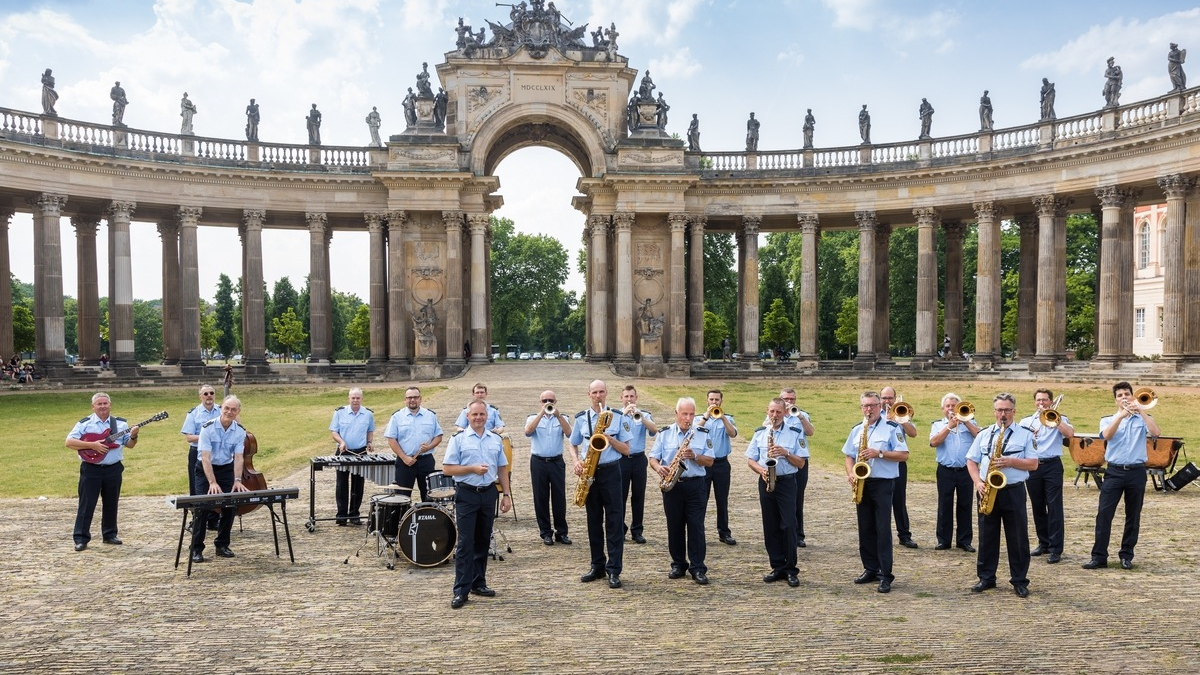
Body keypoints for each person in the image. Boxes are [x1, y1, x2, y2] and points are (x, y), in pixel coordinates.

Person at [1084, 382, 1161, 571]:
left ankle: (1126, 555)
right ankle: (1099, 556)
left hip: (1136, 471)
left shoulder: (1144, 418)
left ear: (1133, 396)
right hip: (1114, 471)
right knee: (1104, 514)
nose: (1124, 397)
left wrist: (1141, 410)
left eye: (1127, 394)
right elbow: (1106, 436)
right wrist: (1120, 416)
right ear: (1115, 399)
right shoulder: (1108, 419)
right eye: (1120, 395)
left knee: (1133, 515)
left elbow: (1156, 433)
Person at [966, 393, 1037, 597]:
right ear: (994, 411)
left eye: (1007, 410)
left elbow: (1033, 463)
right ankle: (986, 578)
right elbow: (971, 460)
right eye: (999, 410)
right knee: (987, 536)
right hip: (987, 489)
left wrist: (1010, 462)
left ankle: (1019, 580)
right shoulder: (984, 433)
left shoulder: (1025, 434)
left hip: (1013, 490)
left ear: (1014, 411)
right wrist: (978, 482)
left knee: (1017, 537)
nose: (1003, 414)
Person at [444, 399, 511, 609]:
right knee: (465, 543)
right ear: (467, 417)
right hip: (467, 493)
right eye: (474, 415)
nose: (478, 418)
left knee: (483, 540)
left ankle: (478, 583)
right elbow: (448, 469)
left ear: (487, 416)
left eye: (482, 414)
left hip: (488, 493)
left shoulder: (495, 440)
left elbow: (502, 468)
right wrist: (472, 468)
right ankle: (461, 590)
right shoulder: (458, 440)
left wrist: (506, 494)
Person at [842, 390, 908, 594]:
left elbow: (904, 455)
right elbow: (848, 456)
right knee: (865, 528)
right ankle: (870, 568)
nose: (869, 409)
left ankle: (885, 574)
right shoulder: (857, 429)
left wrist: (878, 453)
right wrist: (851, 472)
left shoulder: (891, 428)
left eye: (872, 405)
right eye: (865, 406)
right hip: (863, 482)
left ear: (880, 406)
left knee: (882, 529)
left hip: (883, 483)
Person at [569, 379, 632, 588]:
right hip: (590, 472)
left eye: (601, 392)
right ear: (589, 395)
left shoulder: (618, 417)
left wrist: (609, 438)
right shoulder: (580, 418)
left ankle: (614, 569)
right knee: (593, 521)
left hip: (612, 471)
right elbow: (573, 444)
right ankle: (597, 565)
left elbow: (626, 449)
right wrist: (576, 461)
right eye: (594, 392)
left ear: (607, 393)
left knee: (614, 521)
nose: (598, 396)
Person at [649, 397, 714, 585]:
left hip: (695, 484)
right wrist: (658, 468)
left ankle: (698, 567)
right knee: (674, 526)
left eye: (692, 414)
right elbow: (653, 457)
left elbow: (710, 461)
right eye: (684, 414)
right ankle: (678, 564)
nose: (688, 418)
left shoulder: (702, 433)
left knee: (696, 526)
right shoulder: (665, 433)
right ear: (676, 413)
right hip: (673, 485)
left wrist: (694, 456)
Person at [65, 392, 140, 551]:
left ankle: (110, 534)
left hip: (113, 468)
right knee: (87, 504)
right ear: (93, 407)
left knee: (112, 502)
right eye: (99, 404)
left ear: (110, 405)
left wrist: (134, 436)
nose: (102, 406)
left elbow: (130, 445)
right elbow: (69, 442)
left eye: (105, 403)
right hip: (91, 469)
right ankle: (81, 538)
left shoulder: (120, 424)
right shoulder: (85, 423)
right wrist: (92, 445)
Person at [746, 397, 808, 588]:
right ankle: (777, 566)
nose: (775, 416)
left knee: (789, 525)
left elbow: (801, 463)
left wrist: (786, 453)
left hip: (787, 482)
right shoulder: (760, 433)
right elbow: (751, 460)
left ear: (784, 413)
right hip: (766, 481)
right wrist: (761, 470)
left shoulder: (795, 433)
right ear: (767, 411)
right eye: (772, 412)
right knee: (770, 525)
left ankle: (791, 569)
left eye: (778, 412)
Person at [190, 395, 249, 563]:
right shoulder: (207, 428)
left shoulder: (240, 431)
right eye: (226, 408)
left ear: (238, 412)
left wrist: (237, 479)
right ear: (221, 408)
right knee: (202, 506)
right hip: (205, 469)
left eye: (233, 409)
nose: (229, 412)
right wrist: (212, 482)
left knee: (230, 506)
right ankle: (196, 548)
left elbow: (238, 458)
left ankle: (222, 544)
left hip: (225, 468)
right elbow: (206, 458)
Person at [1019, 389, 1075, 564]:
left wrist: (1054, 419)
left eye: (1044, 400)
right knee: (1037, 506)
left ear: (1051, 402)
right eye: (1038, 400)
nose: (1041, 403)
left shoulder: (1060, 418)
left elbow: (1070, 434)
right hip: (1033, 465)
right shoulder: (1026, 421)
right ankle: (1044, 542)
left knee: (1054, 506)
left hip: (1052, 465)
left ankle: (1056, 548)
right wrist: (1030, 435)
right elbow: (1019, 442)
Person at [928, 392, 981, 552]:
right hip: (946, 470)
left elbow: (980, 436)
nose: (951, 409)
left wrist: (966, 422)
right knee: (945, 504)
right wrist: (949, 426)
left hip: (966, 471)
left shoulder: (970, 421)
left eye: (953, 406)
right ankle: (943, 540)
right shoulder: (938, 425)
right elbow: (934, 442)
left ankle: (964, 541)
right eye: (948, 406)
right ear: (942, 409)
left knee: (965, 504)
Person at [524, 389, 573, 545]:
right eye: (544, 400)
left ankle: (562, 532)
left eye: (550, 400)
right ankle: (546, 532)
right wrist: (541, 414)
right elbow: (528, 432)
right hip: (538, 461)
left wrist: (557, 415)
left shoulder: (563, 417)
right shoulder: (532, 418)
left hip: (556, 461)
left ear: (555, 402)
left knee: (559, 497)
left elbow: (569, 433)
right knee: (541, 497)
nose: (547, 403)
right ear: (540, 402)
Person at [384, 387, 444, 502]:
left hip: (426, 461)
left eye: (415, 397)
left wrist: (429, 447)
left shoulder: (430, 415)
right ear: (405, 400)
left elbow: (438, 436)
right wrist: (404, 457)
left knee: (429, 496)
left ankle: (428, 518)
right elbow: (391, 439)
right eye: (409, 397)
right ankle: (403, 519)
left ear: (420, 399)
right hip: (405, 462)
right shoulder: (397, 416)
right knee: (402, 497)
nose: (412, 400)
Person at [329, 388, 376, 526]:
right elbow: (334, 432)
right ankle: (341, 515)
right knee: (341, 484)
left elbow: (370, 430)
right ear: (348, 398)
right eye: (353, 398)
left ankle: (354, 514)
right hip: (344, 452)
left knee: (358, 484)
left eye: (358, 398)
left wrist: (369, 442)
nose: (355, 400)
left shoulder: (368, 414)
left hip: (360, 453)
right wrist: (341, 442)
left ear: (362, 399)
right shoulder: (339, 412)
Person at [619, 385, 658, 544]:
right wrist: (623, 415)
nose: (629, 399)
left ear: (636, 398)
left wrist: (640, 416)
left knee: (638, 496)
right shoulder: (616, 414)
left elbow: (654, 431)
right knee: (619, 496)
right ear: (621, 398)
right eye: (626, 396)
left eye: (632, 397)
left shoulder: (644, 414)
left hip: (638, 459)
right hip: (621, 459)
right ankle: (619, 529)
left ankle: (637, 530)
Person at [880, 386, 918, 548]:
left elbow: (913, 433)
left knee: (899, 499)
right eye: (884, 398)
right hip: (880, 461)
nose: (887, 401)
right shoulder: (875, 414)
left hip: (898, 461)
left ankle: (904, 535)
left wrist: (901, 420)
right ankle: (881, 534)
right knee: (880, 500)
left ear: (895, 399)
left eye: (890, 398)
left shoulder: (901, 413)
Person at [702, 389, 739, 545]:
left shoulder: (728, 418)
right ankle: (699, 531)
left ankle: (724, 532)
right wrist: (706, 416)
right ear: (707, 401)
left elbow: (733, 434)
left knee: (722, 500)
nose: (714, 402)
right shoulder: (700, 418)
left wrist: (722, 417)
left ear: (721, 401)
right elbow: (694, 431)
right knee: (700, 499)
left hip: (721, 464)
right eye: (711, 399)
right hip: (704, 464)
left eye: (717, 400)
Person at [779, 387, 815, 547]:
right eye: (786, 399)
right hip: (782, 461)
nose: (789, 402)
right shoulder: (775, 414)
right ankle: (783, 532)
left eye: (792, 399)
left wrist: (800, 416)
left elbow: (811, 432)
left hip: (799, 460)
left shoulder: (801, 415)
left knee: (798, 497)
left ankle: (798, 534)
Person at [180, 384, 221, 501]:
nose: (209, 396)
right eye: (206, 394)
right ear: (200, 397)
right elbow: (189, 437)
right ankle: (197, 513)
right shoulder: (193, 413)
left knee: (219, 482)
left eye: (211, 393)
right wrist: (206, 437)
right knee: (196, 485)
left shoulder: (222, 410)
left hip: (218, 451)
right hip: (198, 451)